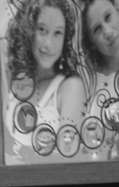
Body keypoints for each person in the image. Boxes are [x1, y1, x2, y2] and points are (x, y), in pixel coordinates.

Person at [6, 0, 88, 151]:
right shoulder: (15, 79)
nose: (49, 43)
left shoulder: (71, 87)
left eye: (58, 33)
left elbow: (69, 155)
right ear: (28, 30)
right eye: (42, 30)